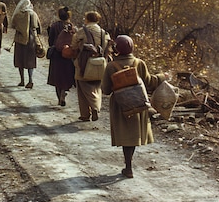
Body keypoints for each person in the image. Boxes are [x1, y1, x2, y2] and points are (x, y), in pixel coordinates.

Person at [101, 35, 167, 179]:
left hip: (120, 106)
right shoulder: (139, 63)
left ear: (116, 48)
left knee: (125, 136)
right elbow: (149, 82)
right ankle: (128, 166)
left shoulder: (111, 66)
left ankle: (128, 167)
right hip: (138, 103)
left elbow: (105, 90)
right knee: (133, 135)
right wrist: (162, 76)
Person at [70, 11, 112, 121]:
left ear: (87, 19)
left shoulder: (82, 31)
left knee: (82, 88)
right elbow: (109, 49)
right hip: (101, 65)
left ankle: (86, 113)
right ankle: (96, 108)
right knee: (97, 87)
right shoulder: (104, 33)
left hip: (84, 64)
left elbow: (73, 45)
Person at [47, 6, 76, 105]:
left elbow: (50, 41)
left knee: (57, 77)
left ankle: (59, 96)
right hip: (68, 55)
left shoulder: (54, 26)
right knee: (66, 76)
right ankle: (64, 91)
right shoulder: (72, 27)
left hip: (56, 54)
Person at [10, 0, 41, 87]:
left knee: (20, 60)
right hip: (31, 39)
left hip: (20, 39)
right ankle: (30, 80)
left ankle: (22, 80)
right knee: (30, 60)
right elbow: (39, 29)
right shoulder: (33, 14)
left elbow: (13, 25)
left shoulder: (18, 14)